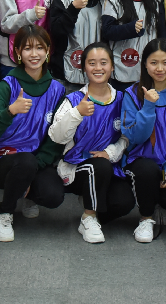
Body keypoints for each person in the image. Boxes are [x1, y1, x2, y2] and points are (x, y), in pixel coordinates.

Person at [0, 25, 67, 242]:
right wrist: (9, 111)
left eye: (39, 48)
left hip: (35, 161)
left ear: (48, 50)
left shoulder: (57, 89)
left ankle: (27, 193)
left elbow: (56, 138)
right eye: (27, 48)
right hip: (2, 161)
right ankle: (4, 213)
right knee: (25, 162)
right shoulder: (8, 85)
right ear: (17, 52)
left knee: (53, 195)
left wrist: (37, 164)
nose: (34, 54)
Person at [48, 43, 128, 243]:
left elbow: (127, 137)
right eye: (92, 63)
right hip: (77, 167)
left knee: (124, 202)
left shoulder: (122, 99)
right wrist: (77, 113)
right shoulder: (73, 99)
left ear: (112, 67)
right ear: (84, 67)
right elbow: (56, 136)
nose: (98, 68)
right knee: (97, 167)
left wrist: (110, 152)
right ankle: (88, 217)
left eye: (103, 63)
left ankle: (93, 201)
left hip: (110, 166)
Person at [116, 39, 166, 242]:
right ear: (144, 64)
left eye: (165, 62)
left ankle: (157, 202)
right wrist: (148, 106)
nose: (160, 69)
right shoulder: (132, 94)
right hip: (140, 162)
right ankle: (146, 218)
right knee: (147, 171)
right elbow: (136, 136)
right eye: (153, 63)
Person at [100, 0, 166, 87]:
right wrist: (130, 28)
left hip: (150, 69)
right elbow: (107, 31)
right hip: (121, 68)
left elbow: (162, 34)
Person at [49, 0, 105, 88]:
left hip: (98, 75)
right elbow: (56, 31)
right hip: (66, 75)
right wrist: (73, 8)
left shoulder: (104, 0)